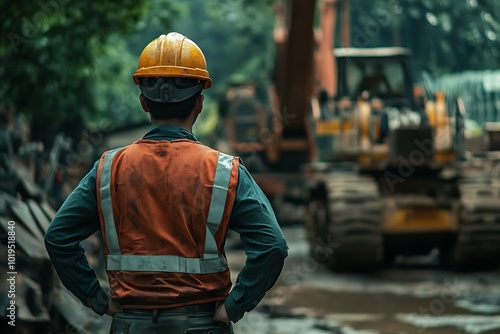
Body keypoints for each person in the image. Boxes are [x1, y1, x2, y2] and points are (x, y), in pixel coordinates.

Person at [44, 32, 288, 334]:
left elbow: (58, 237)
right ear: (199, 103)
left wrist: (97, 299)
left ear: (144, 102)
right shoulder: (225, 171)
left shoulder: (108, 169)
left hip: (131, 324)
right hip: (202, 325)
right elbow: (273, 246)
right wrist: (235, 305)